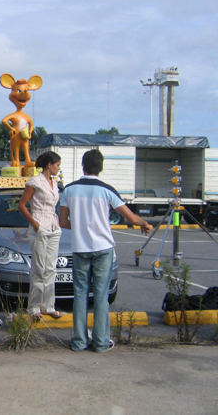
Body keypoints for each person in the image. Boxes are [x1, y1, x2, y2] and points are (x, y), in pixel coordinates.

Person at [59, 150, 151, 353]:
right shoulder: (107, 190)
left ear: (83, 165)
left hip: (80, 248)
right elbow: (131, 218)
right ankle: (101, 342)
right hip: (102, 248)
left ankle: (79, 341)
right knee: (101, 296)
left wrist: (82, 227)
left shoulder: (70, 190)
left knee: (80, 294)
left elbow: (62, 221)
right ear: (100, 167)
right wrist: (144, 223)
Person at [18, 151, 63, 320]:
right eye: (57, 165)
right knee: (39, 268)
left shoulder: (55, 182)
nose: (59, 168)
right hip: (39, 226)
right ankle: (34, 307)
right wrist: (35, 225)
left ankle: (48, 305)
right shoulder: (34, 182)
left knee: (51, 268)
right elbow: (22, 206)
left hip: (53, 226)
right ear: (49, 165)